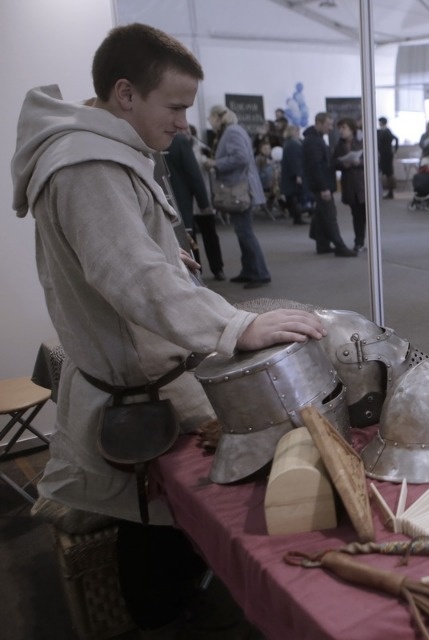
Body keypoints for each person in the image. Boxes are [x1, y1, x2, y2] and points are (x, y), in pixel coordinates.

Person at [11, 23, 327, 632]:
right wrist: (237, 326)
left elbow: (123, 255)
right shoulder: (86, 167)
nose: (185, 122)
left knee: (168, 549)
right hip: (137, 402)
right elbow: (129, 277)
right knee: (158, 563)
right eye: (176, 106)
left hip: (146, 378)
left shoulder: (102, 152)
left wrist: (161, 252)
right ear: (125, 94)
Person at [205, 104, 272, 288]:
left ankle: (260, 273)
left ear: (218, 117)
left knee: (245, 232)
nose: (210, 123)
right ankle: (249, 270)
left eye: (210, 119)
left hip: (240, 189)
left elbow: (240, 157)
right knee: (242, 231)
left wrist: (215, 163)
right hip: (241, 188)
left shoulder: (231, 132)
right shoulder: (233, 130)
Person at [164, 132, 225, 280]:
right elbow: (194, 174)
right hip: (185, 201)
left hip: (174, 200)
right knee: (190, 239)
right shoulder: (179, 141)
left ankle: (200, 273)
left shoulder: (153, 137)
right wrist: (204, 201)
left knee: (193, 238)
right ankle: (199, 273)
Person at [303, 112, 356, 257]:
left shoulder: (316, 139)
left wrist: (340, 163)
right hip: (322, 185)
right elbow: (316, 166)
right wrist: (323, 187)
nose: (331, 128)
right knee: (329, 215)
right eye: (328, 124)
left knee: (321, 214)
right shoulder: (313, 141)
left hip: (322, 183)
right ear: (318, 123)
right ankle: (339, 246)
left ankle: (322, 244)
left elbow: (325, 163)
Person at [334, 117, 367, 252]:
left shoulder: (362, 141)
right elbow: (334, 162)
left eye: (344, 128)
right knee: (356, 215)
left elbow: (374, 158)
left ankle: (369, 241)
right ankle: (359, 241)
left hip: (363, 183)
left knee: (366, 214)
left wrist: (359, 163)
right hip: (349, 184)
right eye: (340, 128)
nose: (341, 131)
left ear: (351, 129)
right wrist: (343, 164)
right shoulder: (339, 145)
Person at [280, 124, 308, 225]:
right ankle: (297, 217)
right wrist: (298, 174)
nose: (298, 133)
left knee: (292, 196)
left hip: (289, 175)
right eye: (297, 131)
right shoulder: (293, 144)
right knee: (294, 196)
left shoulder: (288, 143)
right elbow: (295, 161)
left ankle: (297, 216)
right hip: (292, 176)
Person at [376, 116, 399, 199]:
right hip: (382, 154)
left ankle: (390, 192)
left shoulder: (386, 131)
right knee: (384, 172)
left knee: (389, 173)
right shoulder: (379, 131)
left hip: (387, 154)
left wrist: (395, 149)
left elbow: (396, 139)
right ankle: (384, 191)